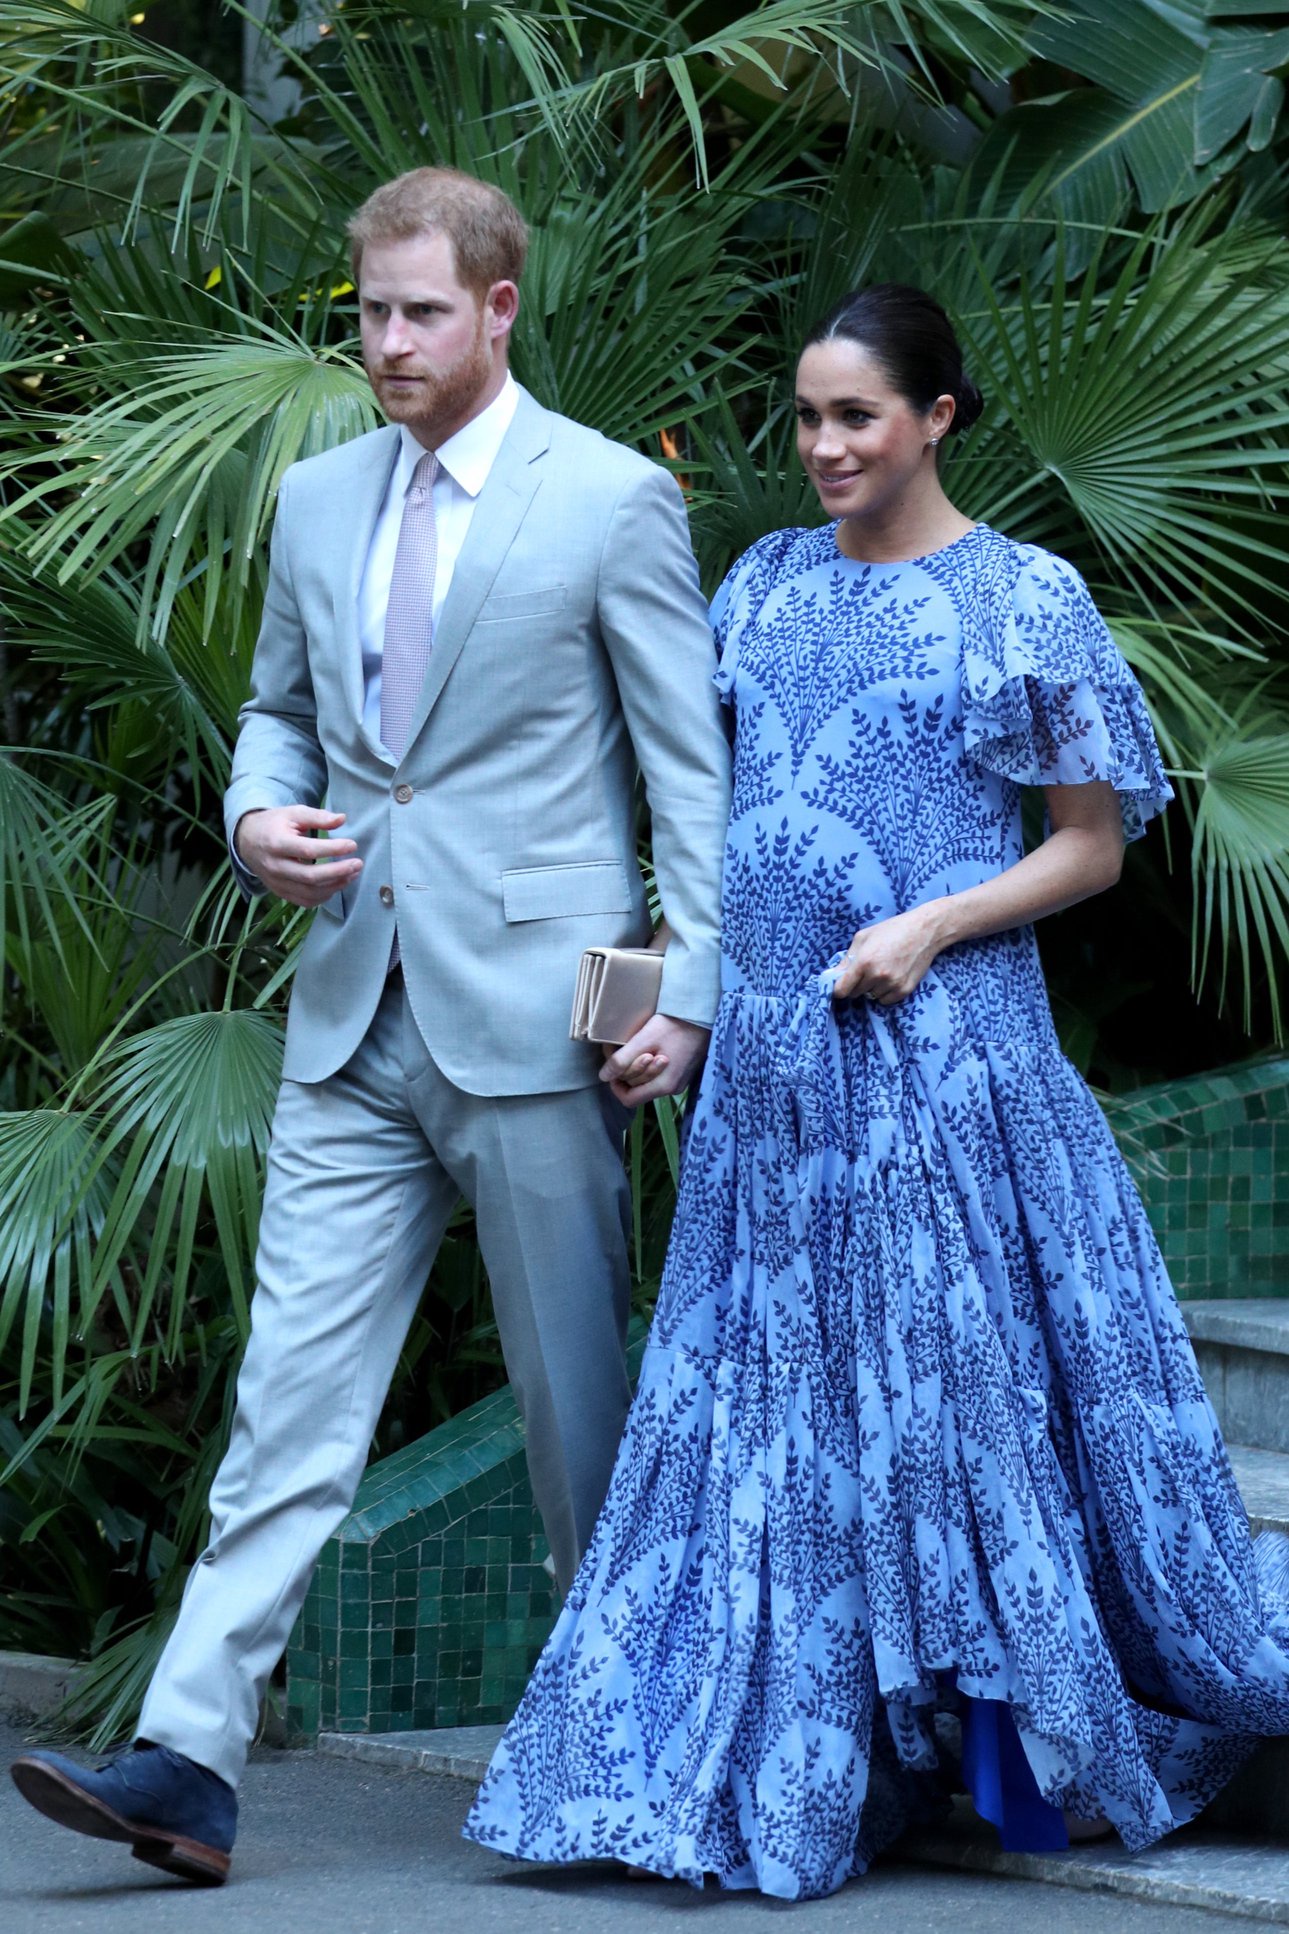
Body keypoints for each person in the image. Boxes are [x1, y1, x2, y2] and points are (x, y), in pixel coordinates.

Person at [463, 282, 1289, 1899]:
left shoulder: (1020, 600)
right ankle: (827, 1746)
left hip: (947, 1070)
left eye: (855, 414)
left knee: (953, 1424)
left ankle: (1019, 1763)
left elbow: (1092, 841)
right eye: (805, 416)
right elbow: (713, 846)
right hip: (771, 1095)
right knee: (779, 1430)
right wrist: (672, 1014)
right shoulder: (755, 588)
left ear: (935, 420)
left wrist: (928, 920)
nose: (822, 444)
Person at [10, 167, 731, 1885]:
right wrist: (263, 821)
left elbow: (686, 777)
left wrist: (689, 986)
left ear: (499, 306)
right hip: (346, 1011)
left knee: (575, 1414)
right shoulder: (321, 497)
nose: (388, 341)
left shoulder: (613, 499)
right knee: (285, 1405)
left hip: (545, 1026)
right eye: (369, 310)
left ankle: (620, 1735)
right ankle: (189, 1755)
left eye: (421, 312)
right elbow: (274, 717)